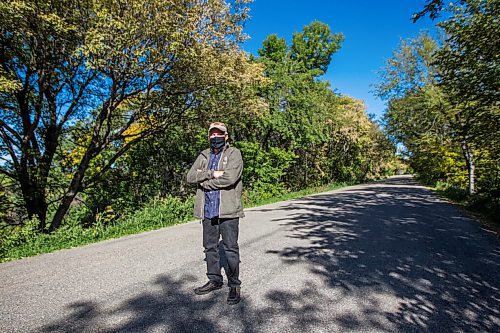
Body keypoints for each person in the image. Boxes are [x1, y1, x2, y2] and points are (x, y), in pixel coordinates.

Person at [186, 122, 244, 305]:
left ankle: (234, 285)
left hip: (228, 210)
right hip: (208, 210)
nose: (215, 137)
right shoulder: (204, 155)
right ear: (209, 137)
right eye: (212, 135)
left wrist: (205, 181)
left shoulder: (234, 153)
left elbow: (230, 177)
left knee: (230, 248)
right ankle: (214, 280)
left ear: (226, 136)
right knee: (210, 247)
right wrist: (212, 173)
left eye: (219, 134)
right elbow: (190, 177)